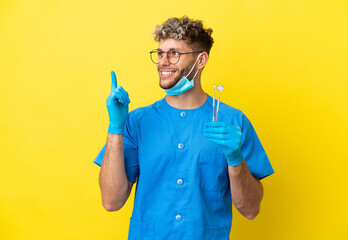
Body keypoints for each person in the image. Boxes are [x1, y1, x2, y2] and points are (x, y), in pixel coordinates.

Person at [93, 16, 274, 240]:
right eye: (160, 53)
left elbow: (251, 209)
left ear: (200, 60)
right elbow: (111, 201)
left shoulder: (232, 122)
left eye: (174, 54)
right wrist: (116, 129)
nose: (163, 62)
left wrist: (236, 161)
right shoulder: (137, 121)